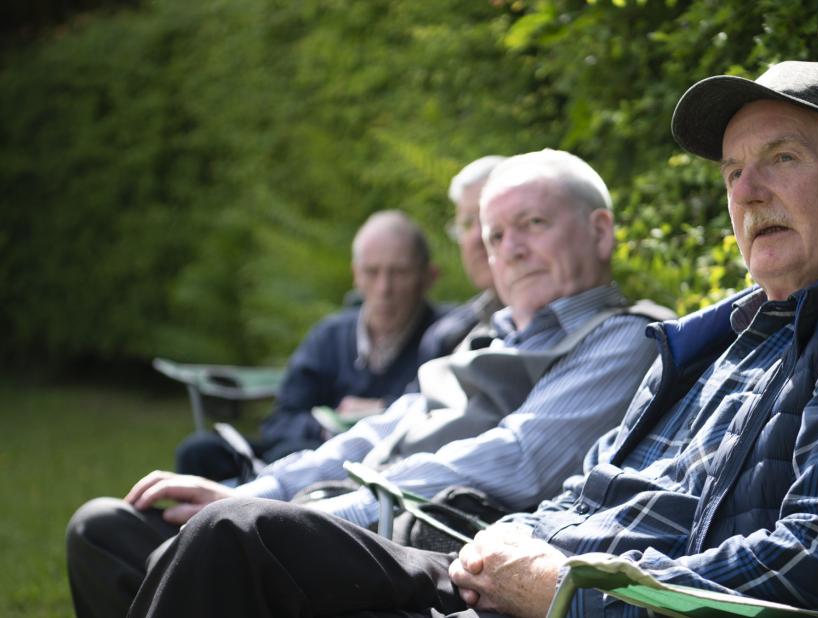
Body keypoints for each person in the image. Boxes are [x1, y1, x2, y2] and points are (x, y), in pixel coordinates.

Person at [112, 62, 818, 618]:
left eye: (783, 158)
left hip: (583, 607)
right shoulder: (723, 340)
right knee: (156, 539)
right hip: (501, 573)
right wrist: (518, 543)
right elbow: (581, 485)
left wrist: (568, 589)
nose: (748, 190)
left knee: (235, 542)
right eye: (735, 172)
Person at [67, 149, 666, 618]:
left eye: (533, 224)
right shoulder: (485, 338)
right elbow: (376, 431)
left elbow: (519, 458)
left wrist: (317, 509)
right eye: (495, 235)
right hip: (351, 521)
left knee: (228, 536)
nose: (511, 250)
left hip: (440, 543)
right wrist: (266, 484)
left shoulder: (621, 338)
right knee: (104, 529)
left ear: (600, 232)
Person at [173, 210, 445, 482]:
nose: (384, 288)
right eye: (371, 272)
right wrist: (326, 424)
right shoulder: (329, 336)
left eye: (399, 273)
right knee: (198, 451)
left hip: (375, 473)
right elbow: (279, 422)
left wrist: (380, 412)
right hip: (301, 455)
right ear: (355, 275)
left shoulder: (444, 336)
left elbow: (442, 422)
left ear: (427, 277)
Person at [417, 155, 507, 361]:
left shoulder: (565, 324)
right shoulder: (447, 336)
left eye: (488, 219)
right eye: (466, 224)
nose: (477, 236)